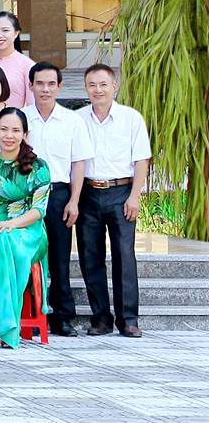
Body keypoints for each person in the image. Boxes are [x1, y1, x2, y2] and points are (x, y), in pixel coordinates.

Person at [78, 61, 150, 337]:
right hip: (87, 192)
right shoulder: (77, 119)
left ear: (114, 86)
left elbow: (141, 159)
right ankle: (101, 318)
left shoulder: (131, 118)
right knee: (90, 256)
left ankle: (128, 319)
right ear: (86, 88)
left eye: (103, 84)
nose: (98, 90)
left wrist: (135, 196)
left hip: (122, 192)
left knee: (124, 255)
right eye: (92, 85)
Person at [0, 107, 52, 347]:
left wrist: (10, 225)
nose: (9, 135)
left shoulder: (39, 167)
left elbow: (39, 210)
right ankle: (8, 330)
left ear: (25, 134)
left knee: (6, 241)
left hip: (31, 233)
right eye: (3, 129)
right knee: (3, 242)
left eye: (16, 130)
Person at [25, 60, 89, 336]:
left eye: (51, 84)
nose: (45, 89)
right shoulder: (21, 118)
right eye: (40, 83)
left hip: (59, 193)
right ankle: (30, 314)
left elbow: (78, 163)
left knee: (60, 257)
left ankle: (62, 317)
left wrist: (74, 200)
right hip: (26, 196)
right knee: (27, 255)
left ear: (59, 86)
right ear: (30, 85)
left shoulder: (72, 121)